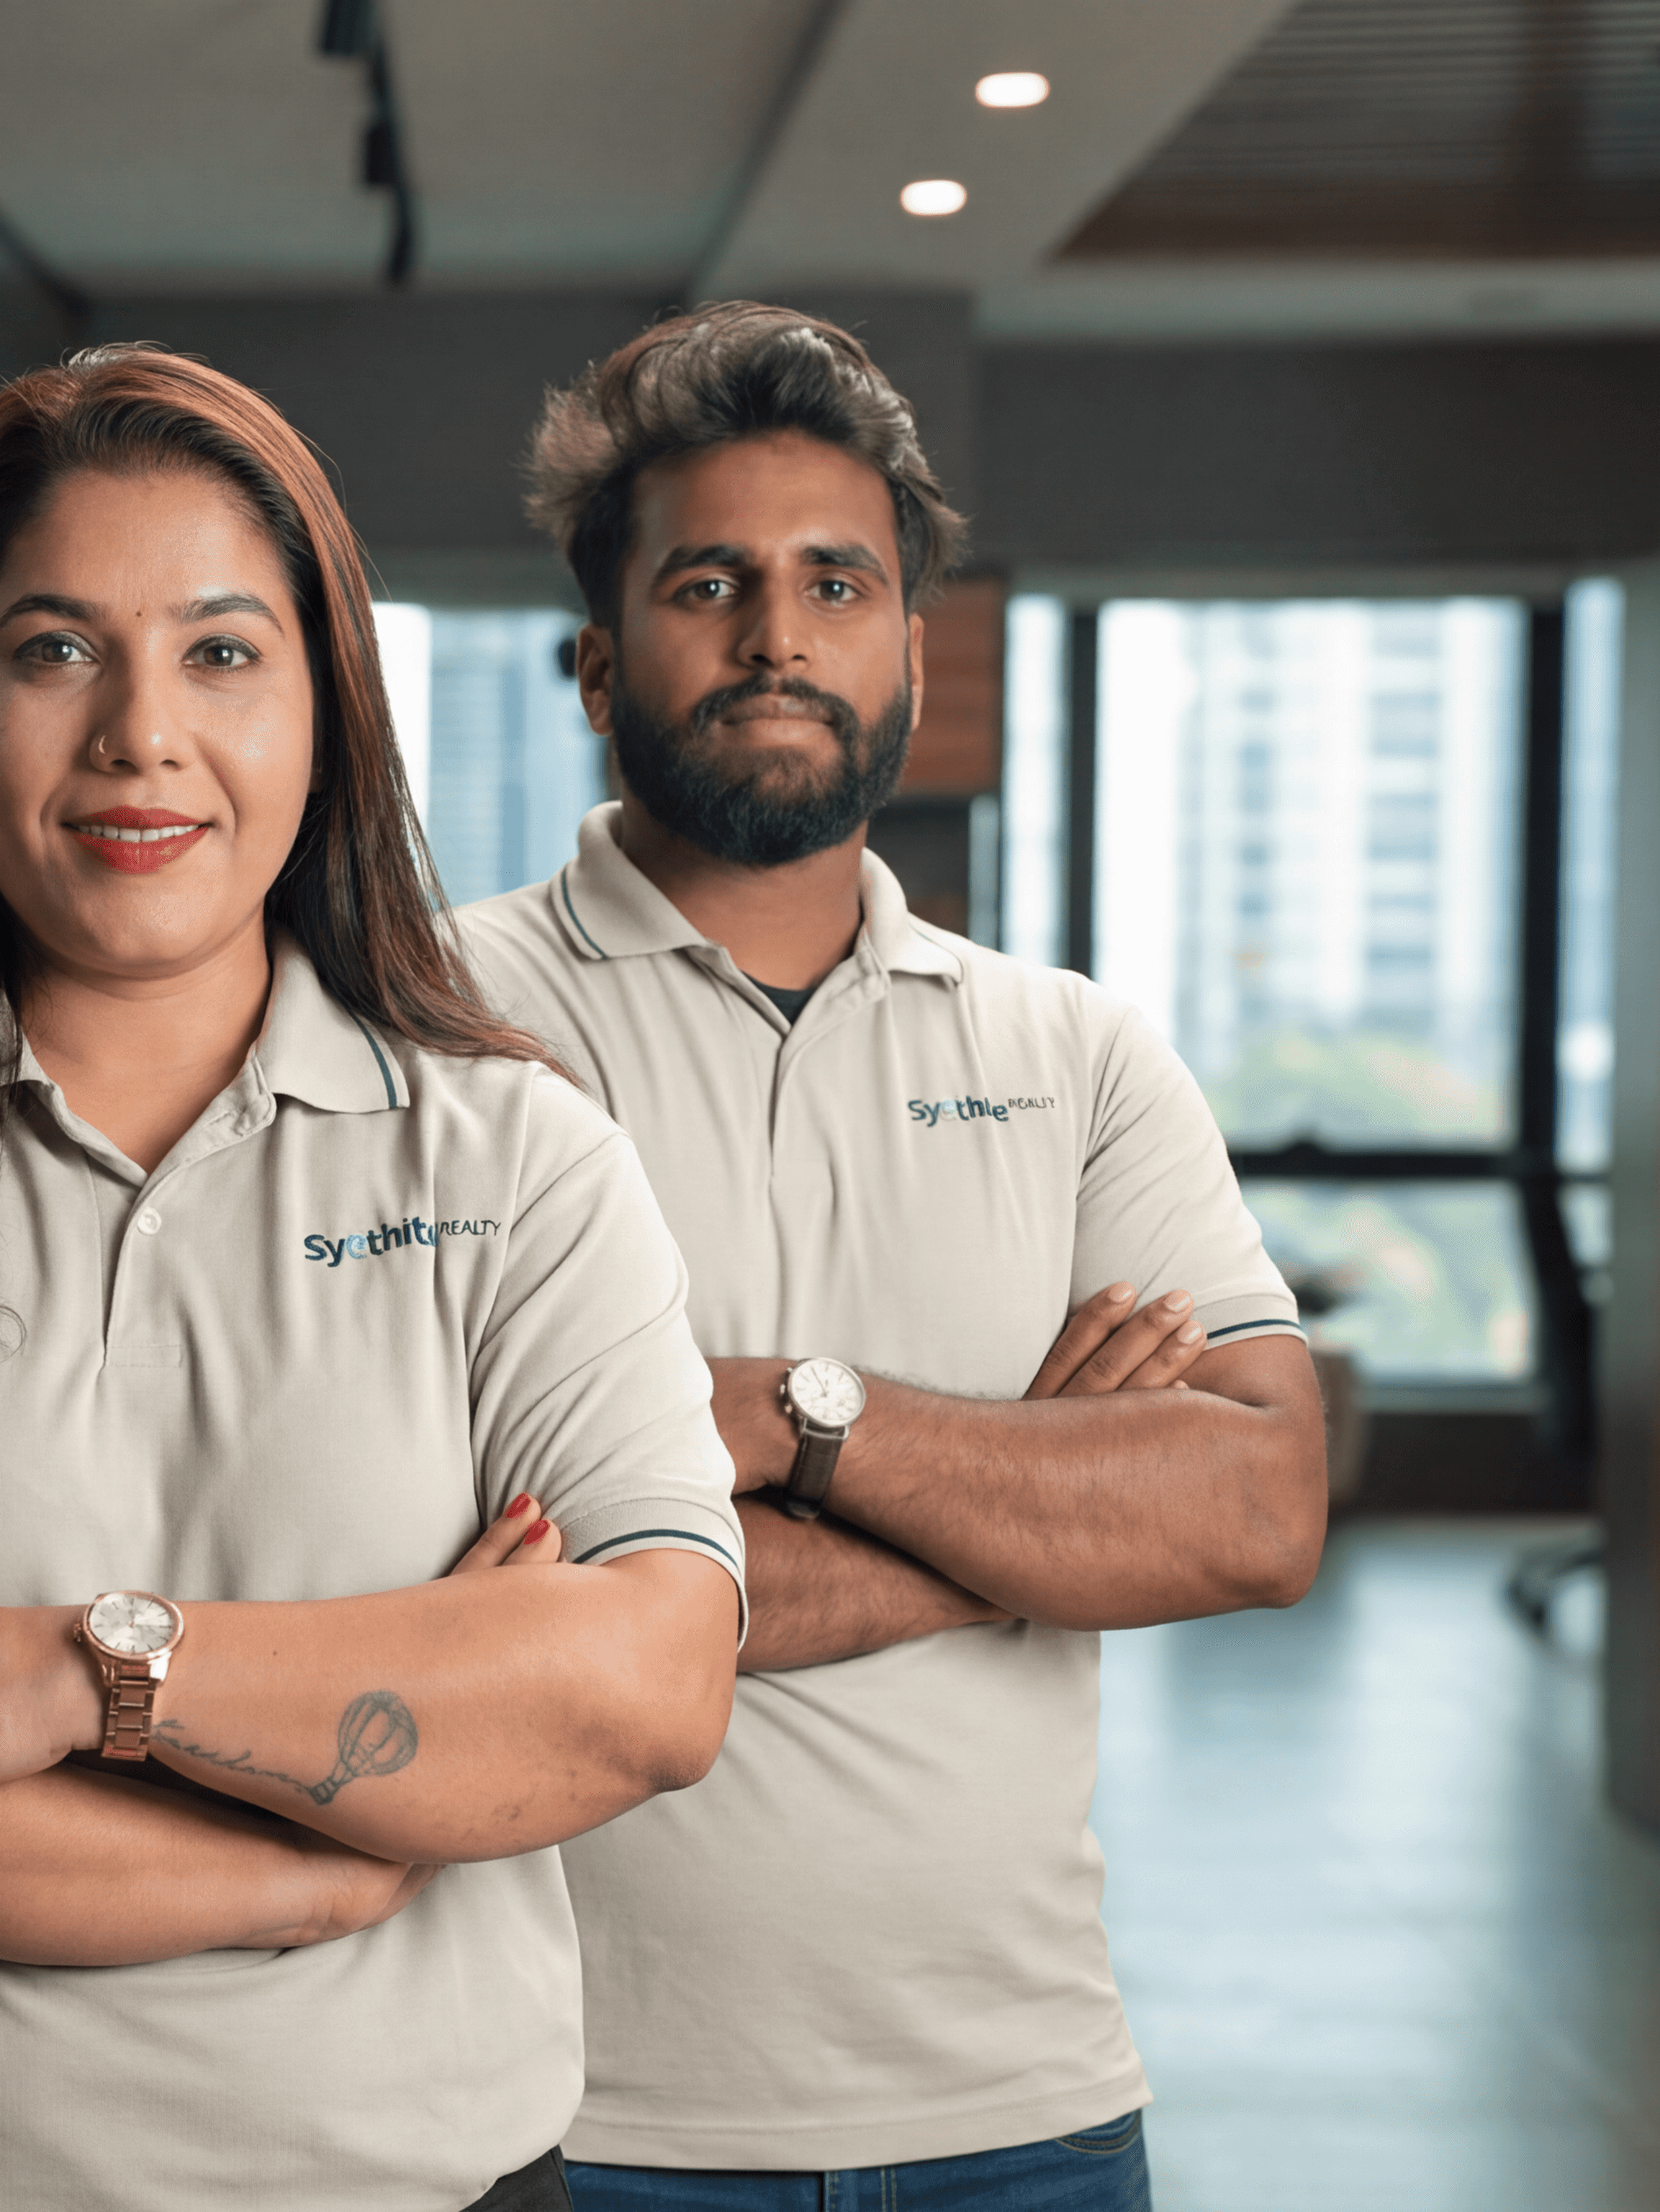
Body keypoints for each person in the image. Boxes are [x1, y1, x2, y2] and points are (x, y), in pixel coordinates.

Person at [0, 344, 749, 2212]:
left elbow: (646, 1689)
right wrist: (328, 1852)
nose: (138, 736)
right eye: (51, 650)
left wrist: (71, 1676)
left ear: (327, 714)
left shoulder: (517, 1163)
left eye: (220, 651)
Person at [449, 304, 1330, 2211]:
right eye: (712, 583)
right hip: (559, 2120)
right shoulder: (436, 1030)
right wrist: (1032, 1508)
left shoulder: (1072, 1049)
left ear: (908, 651)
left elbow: (1257, 1508)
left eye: (837, 583)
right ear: (598, 661)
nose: (781, 635)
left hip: (1026, 2118)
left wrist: (791, 1416)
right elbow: (464, 1598)